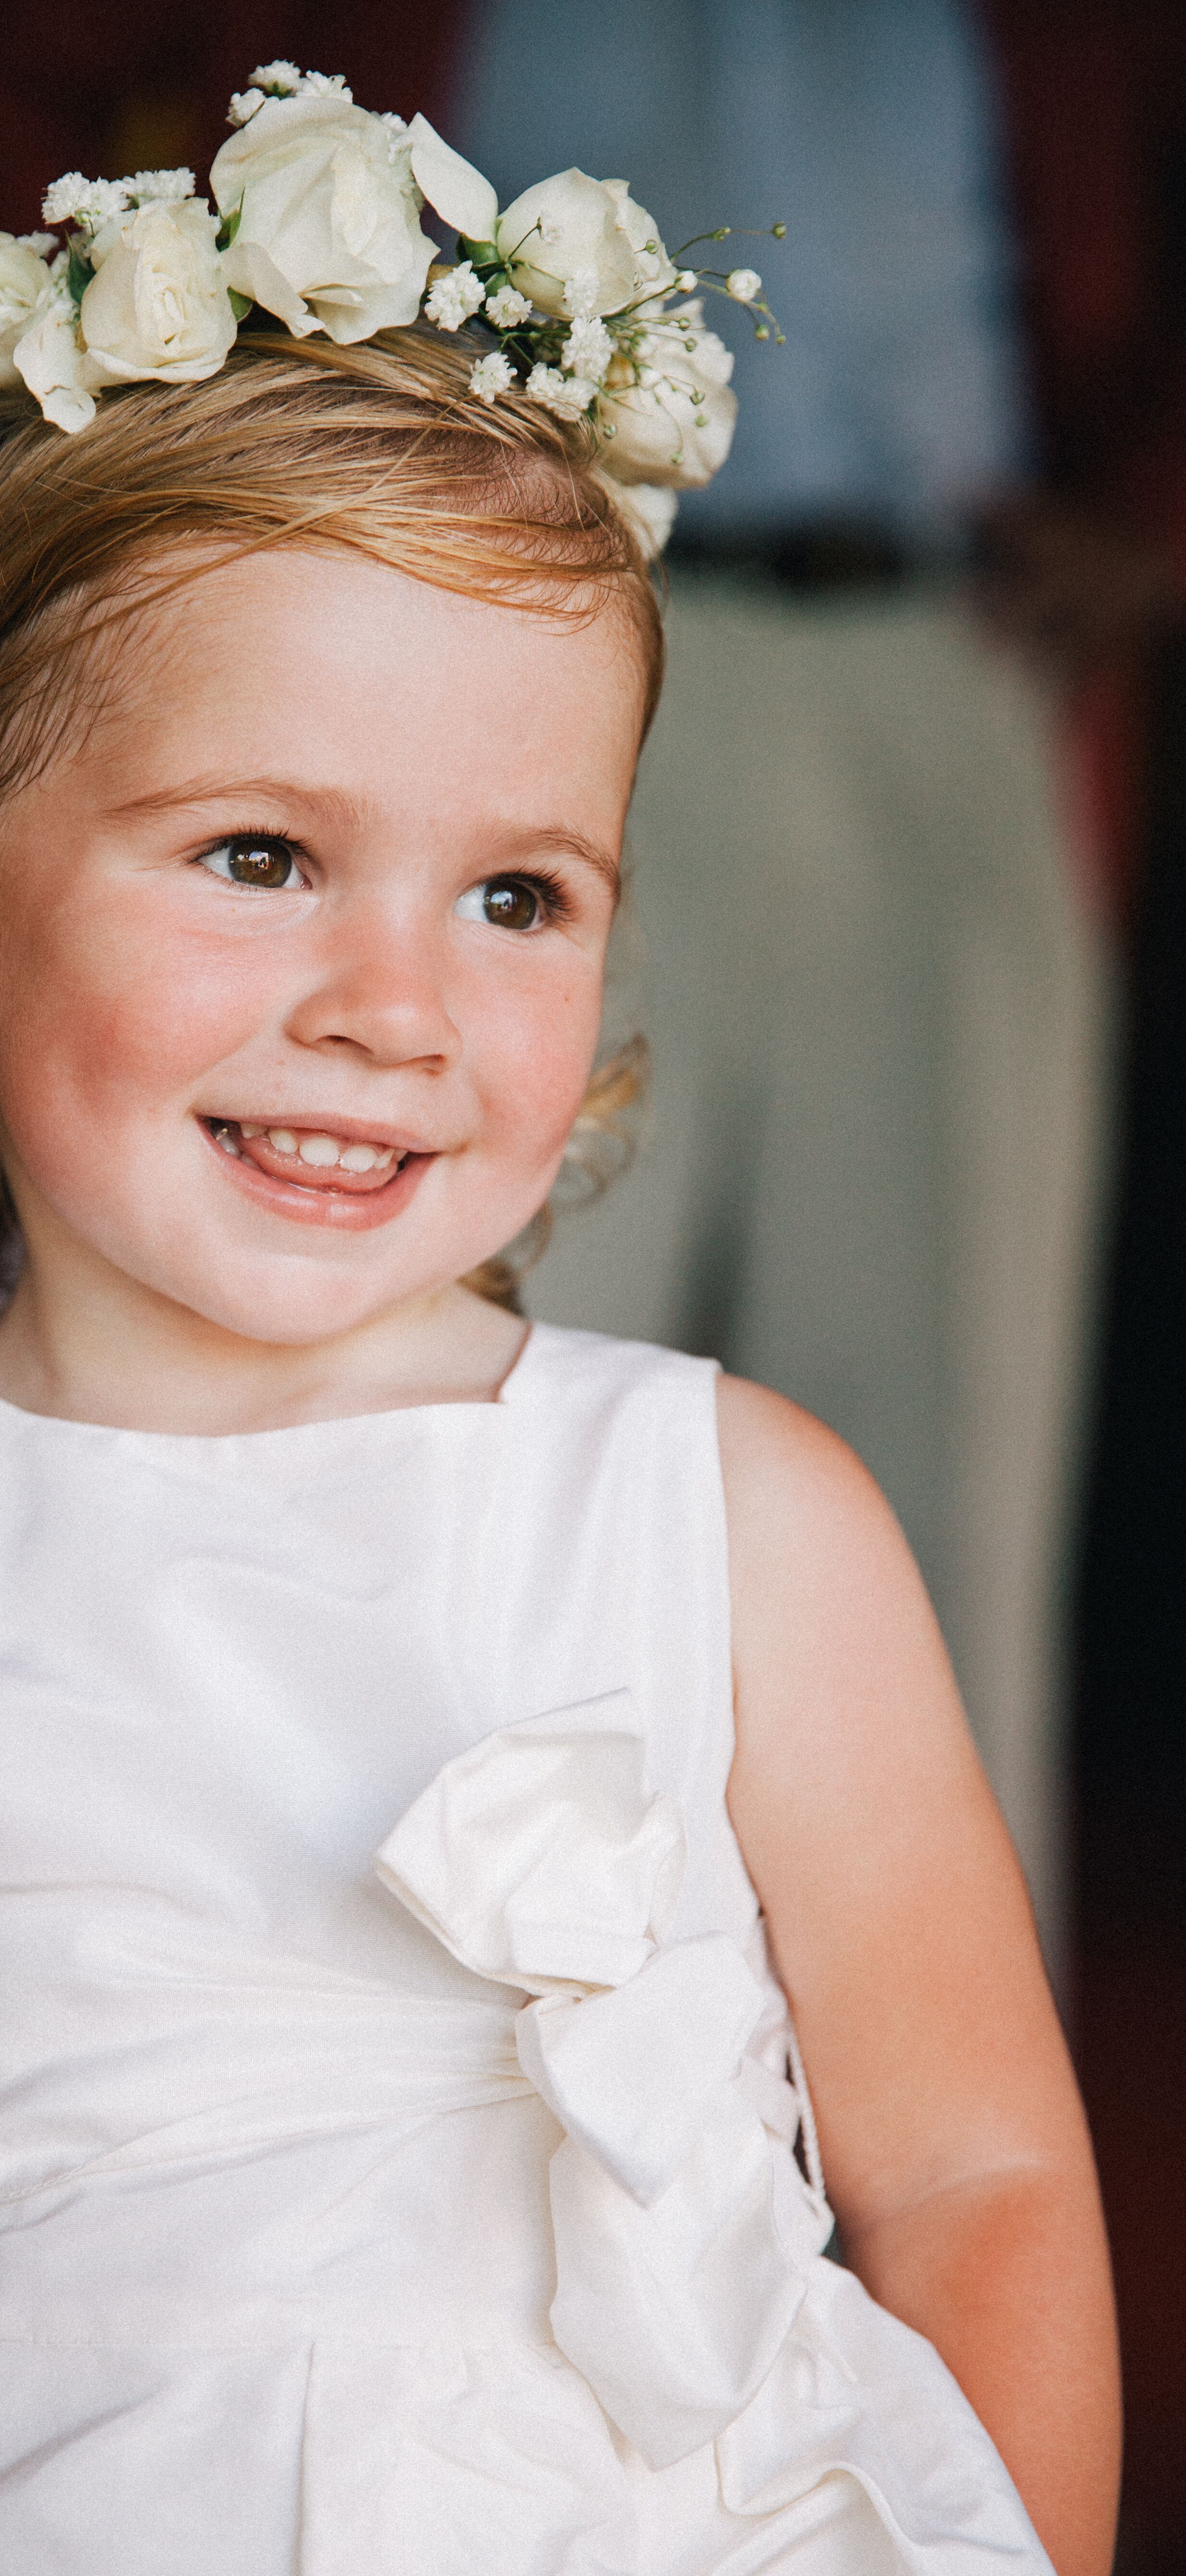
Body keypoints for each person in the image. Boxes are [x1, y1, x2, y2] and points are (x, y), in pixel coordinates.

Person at [0, 67, 1115, 2576]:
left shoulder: (735, 1515)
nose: (394, 1006)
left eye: (516, 891)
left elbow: (975, 2173)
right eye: (260, 855)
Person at [454, 0, 1113, 1972]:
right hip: (504, 640)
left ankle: (943, 2206)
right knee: (484, 1425)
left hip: (944, 634)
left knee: (945, 1492)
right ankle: (447, 2133)